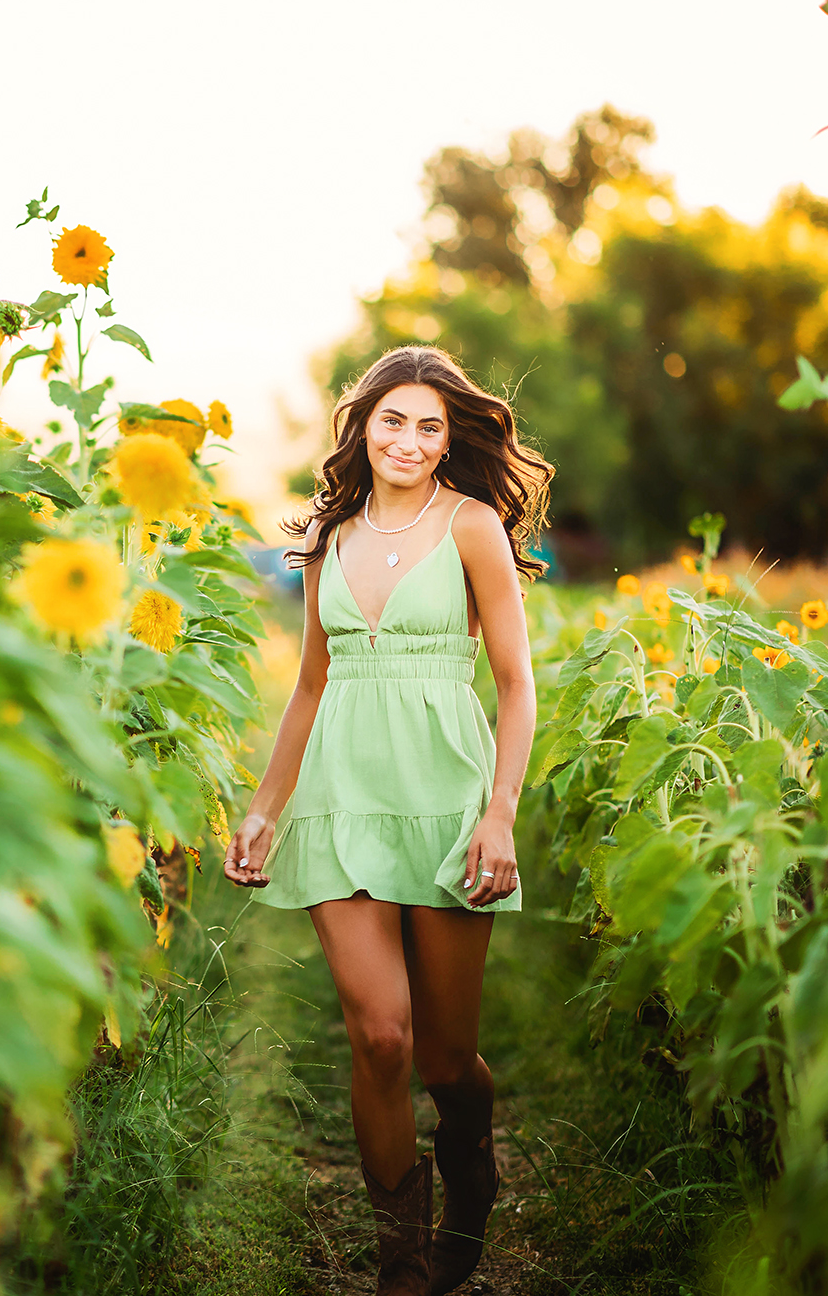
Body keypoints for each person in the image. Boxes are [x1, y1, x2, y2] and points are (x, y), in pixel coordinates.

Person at [225, 345, 551, 1295]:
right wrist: (263, 808)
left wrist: (500, 813)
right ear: (362, 425)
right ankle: (400, 1261)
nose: (408, 440)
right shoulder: (332, 537)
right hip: (341, 799)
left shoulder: (473, 526)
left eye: (429, 424)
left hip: (448, 799)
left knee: (447, 1057)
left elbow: (517, 686)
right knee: (381, 1036)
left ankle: (472, 1162)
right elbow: (309, 688)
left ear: (451, 439)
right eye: (393, 419)